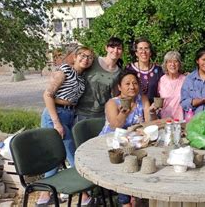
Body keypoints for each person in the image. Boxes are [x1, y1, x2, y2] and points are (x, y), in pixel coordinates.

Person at [37, 47, 95, 206]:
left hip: (69, 115)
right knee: (73, 154)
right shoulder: (65, 70)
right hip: (56, 115)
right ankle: (84, 196)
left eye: (90, 57)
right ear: (75, 57)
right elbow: (47, 95)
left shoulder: (81, 78)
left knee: (57, 157)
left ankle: (44, 196)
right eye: (83, 55)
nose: (86, 59)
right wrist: (56, 122)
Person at [98, 71, 151, 207]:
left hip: (133, 143)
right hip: (113, 145)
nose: (132, 87)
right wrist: (123, 113)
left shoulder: (142, 99)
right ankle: (125, 202)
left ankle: (137, 196)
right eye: (127, 84)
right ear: (120, 87)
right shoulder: (112, 103)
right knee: (126, 164)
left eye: (134, 83)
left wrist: (152, 111)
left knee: (145, 158)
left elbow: (149, 123)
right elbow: (115, 125)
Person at [75, 37, 124, 122]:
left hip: (100, 114)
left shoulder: (119, 72)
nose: (115, 51)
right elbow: (76, 69)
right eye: (112, 47)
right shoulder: (94, 61)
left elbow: (115, 96)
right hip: (81, 112)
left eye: (119, 48)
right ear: (106, 48)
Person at [126, 37, 164, 104]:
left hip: (153, 110)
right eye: (140, 48)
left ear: (150, 52)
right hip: (134, 110)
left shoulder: (158, 70)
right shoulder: (129, 69)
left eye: (146, 48)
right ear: (136, 53)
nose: (143, 51)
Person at [157, 51, 186, 120]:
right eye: (169, 61)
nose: (172, 64)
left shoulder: (185, 80)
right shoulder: (162, 80)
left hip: (181, 120)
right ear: (166, 64)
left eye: (176, 61)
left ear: (179, 64)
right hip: (165, 119)